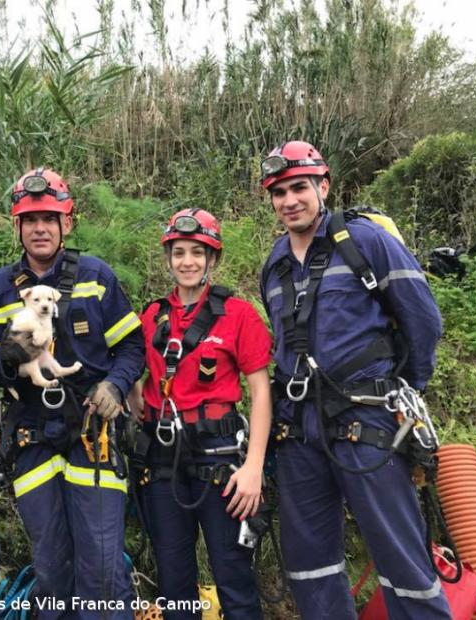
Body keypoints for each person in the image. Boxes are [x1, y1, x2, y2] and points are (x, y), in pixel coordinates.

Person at [258, 141, 452, 619]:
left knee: (401, 558)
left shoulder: (365, 241)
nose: (290, 200)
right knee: (310, 566)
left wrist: (400, 389)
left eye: (299, 187)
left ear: (323, 186)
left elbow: (422, 321)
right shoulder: (275, 262)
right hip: (300, 432)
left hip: (367, 422)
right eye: (279, 192)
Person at [0, 168, 145, 619]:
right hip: (31, 437)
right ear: (17, 225)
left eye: (50, 218)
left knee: (100, 565)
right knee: (51, 567)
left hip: (91, 433)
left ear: (67, 223)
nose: (40, 227)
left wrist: (115, 385)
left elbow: (132, 346)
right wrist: (6, 357)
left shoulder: (97, 277)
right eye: (30, 218)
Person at [124, 208, 273, 619]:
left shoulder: (238, 314)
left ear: (213, 259)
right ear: (168, 258)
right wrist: (135, 387)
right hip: (162, 457)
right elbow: (131, 361)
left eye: (197, 252)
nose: (187, 261)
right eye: (179, 252)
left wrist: (254, 466)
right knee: (174, 582)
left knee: (233, 576)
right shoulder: (152, 316)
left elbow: (260, 392)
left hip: (219, 458)